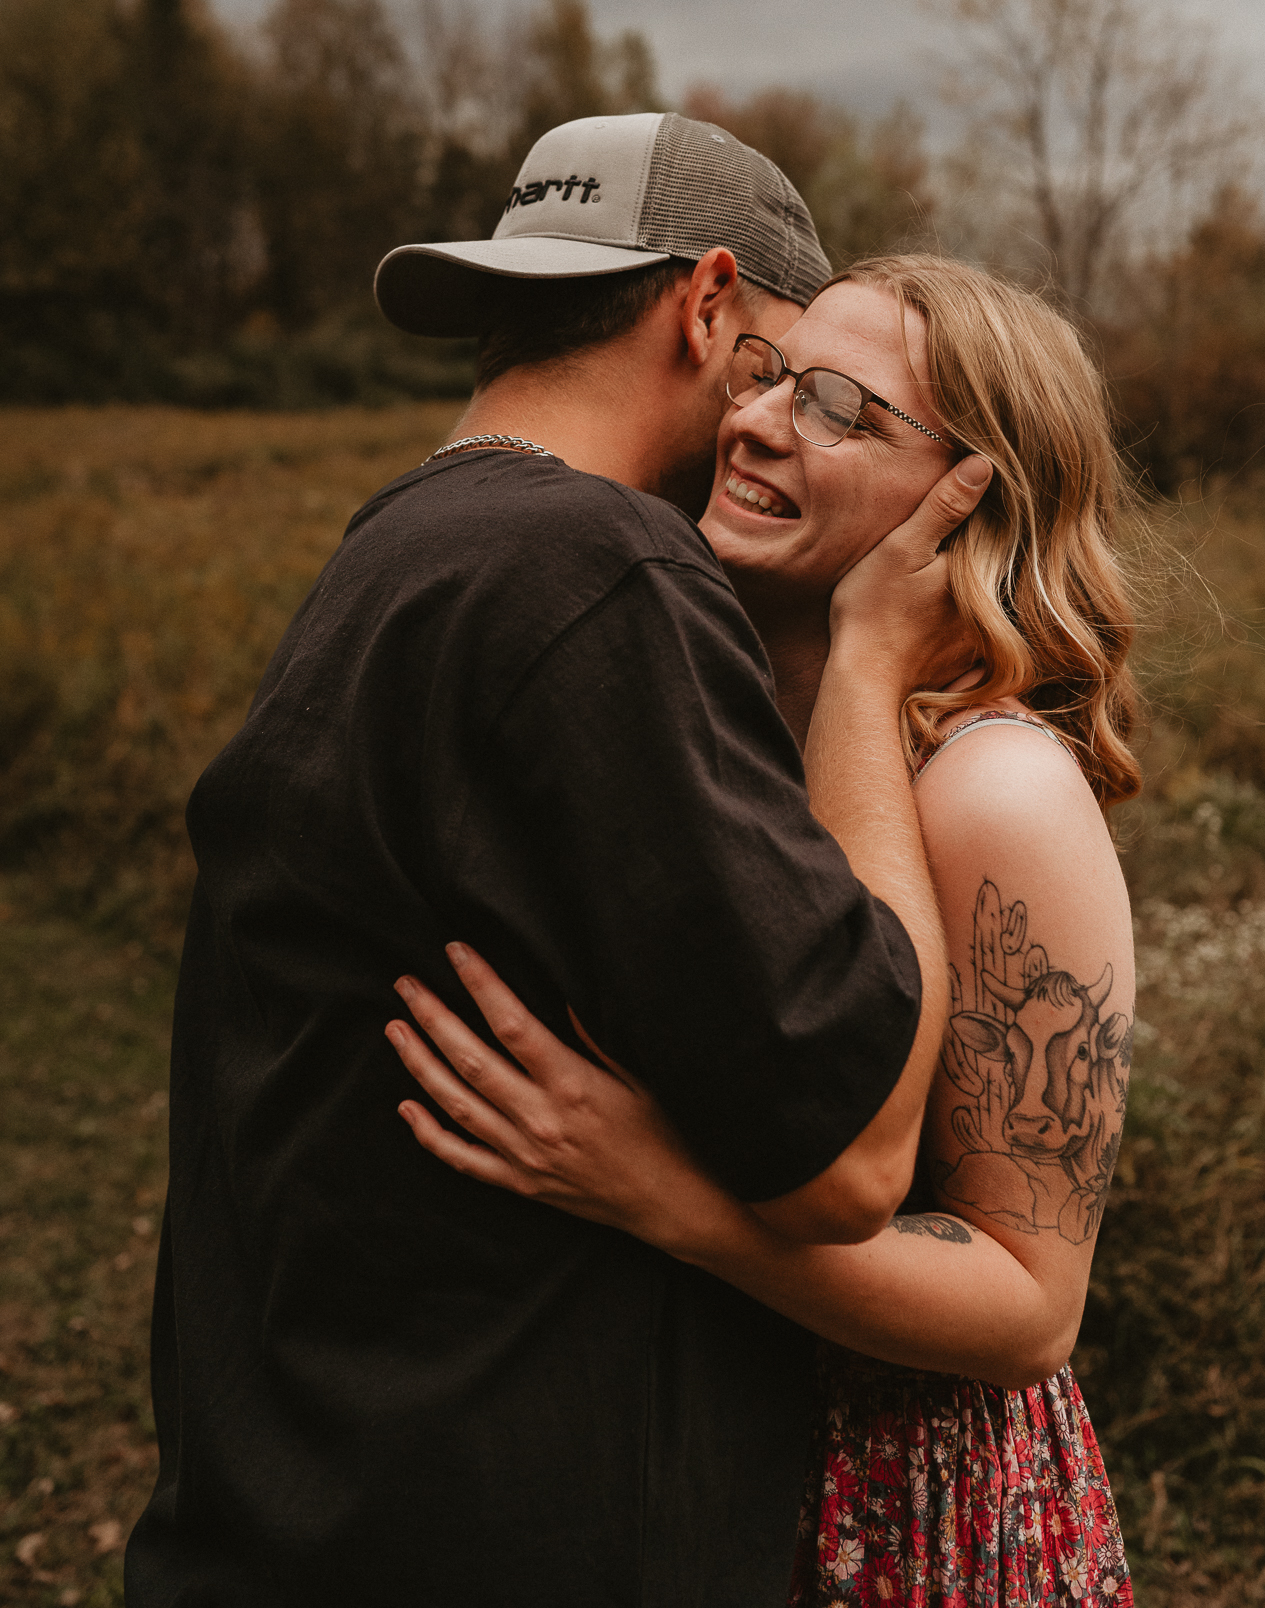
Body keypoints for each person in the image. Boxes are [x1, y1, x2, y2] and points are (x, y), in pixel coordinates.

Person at [126, 114, 991, 1608]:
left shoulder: (400, 546)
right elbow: (850, 1145)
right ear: (706, 303)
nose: (769, 420)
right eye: (778, 366)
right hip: (501, 1531)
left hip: (298, 1500)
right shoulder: (594, 566)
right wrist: (866, 667)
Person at [385, 253, 1139, 1606]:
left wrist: (661, 1193)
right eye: (772, 375)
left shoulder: (993, 788)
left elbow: (1033, 1307)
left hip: (898, 1500)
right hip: (686, 1458)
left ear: (969, 499)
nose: (757, 422)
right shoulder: (705, 718)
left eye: (841, 408)